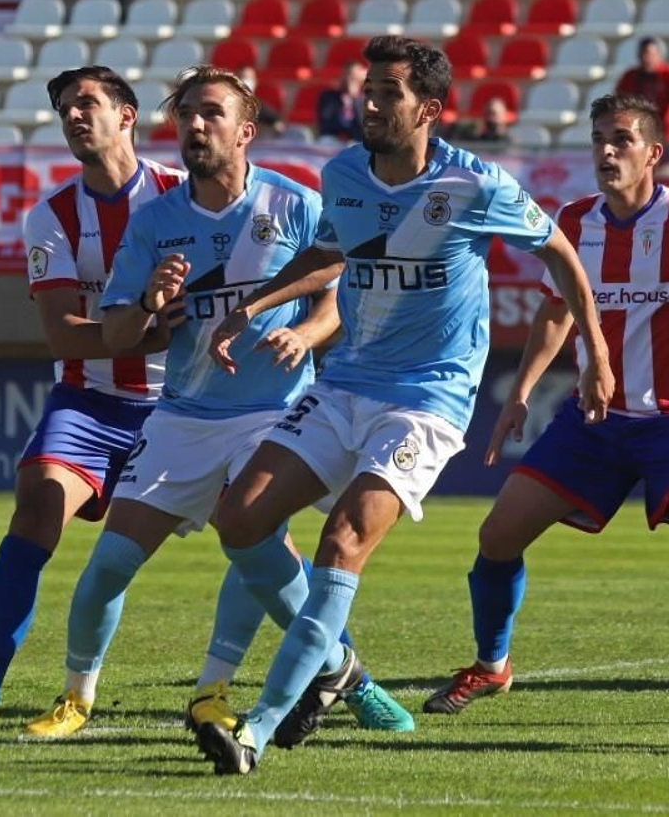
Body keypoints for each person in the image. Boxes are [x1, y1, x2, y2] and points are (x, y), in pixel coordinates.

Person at [190, 35, 614, 776]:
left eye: (389, 93)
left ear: (430, 110)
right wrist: (250, 306)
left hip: (428, 398)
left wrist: (598, 354)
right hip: (346, 380)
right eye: (368, 90)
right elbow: (329, 254)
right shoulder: (344, 173)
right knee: (240, 518)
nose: (372, 104)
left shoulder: (477, 186)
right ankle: (334, 666)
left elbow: (561, 254)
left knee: (343, 540)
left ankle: (256, 728)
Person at [25, 65, 413, 739]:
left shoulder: (292, 204)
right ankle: (76, 698)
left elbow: (345, 284)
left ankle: (220, 689)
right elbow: (117, 333)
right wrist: (150, 299)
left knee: (251, 540)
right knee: (107, 566)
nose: (195, 127)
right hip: (183, 414)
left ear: (246, 131)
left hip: (276, 413)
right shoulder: (155, 222)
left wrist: (305, 330)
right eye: (186, 118)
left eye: (211, 114)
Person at [422, 94, 669, 726]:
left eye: (620, 139)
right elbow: (557, 311)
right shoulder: (576, 220)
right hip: (595, 418)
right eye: (597, 140)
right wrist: (521, 395)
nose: (606, 151)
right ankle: (492, 664)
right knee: (497, 535)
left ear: (653, 153)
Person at [0, 66, 184, 738]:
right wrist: (150, 328)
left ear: (127, 116)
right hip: (90, 399)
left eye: (88, 103)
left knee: (260, 530)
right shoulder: (52, 215)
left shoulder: (182, 196)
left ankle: (346, 676)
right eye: (66, 107)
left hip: (187, 406)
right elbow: (60, 332)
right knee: (40, 500)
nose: (75, 115)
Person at [615, 37, 669, 161]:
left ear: (658, 55)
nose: (646, 58)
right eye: (643, 54)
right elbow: (619, 106)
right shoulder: (630, 77)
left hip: (666, 138)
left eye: (650, 54)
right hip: (638, 136)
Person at [315, 61, 366, 141]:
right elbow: (325, 122)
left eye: (353, 78)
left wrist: (353, 99)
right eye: (348, 74)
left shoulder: (364, 100)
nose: (350, 80)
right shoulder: (329, 97)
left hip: (356, 139)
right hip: (332, 138)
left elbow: (362, 126)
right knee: (325, 140)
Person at [238, 65, 286, 138]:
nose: (246, 81)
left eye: (250, 78)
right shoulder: (227, 103)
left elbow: (276, 121)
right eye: (243, 77)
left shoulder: (258, 105)